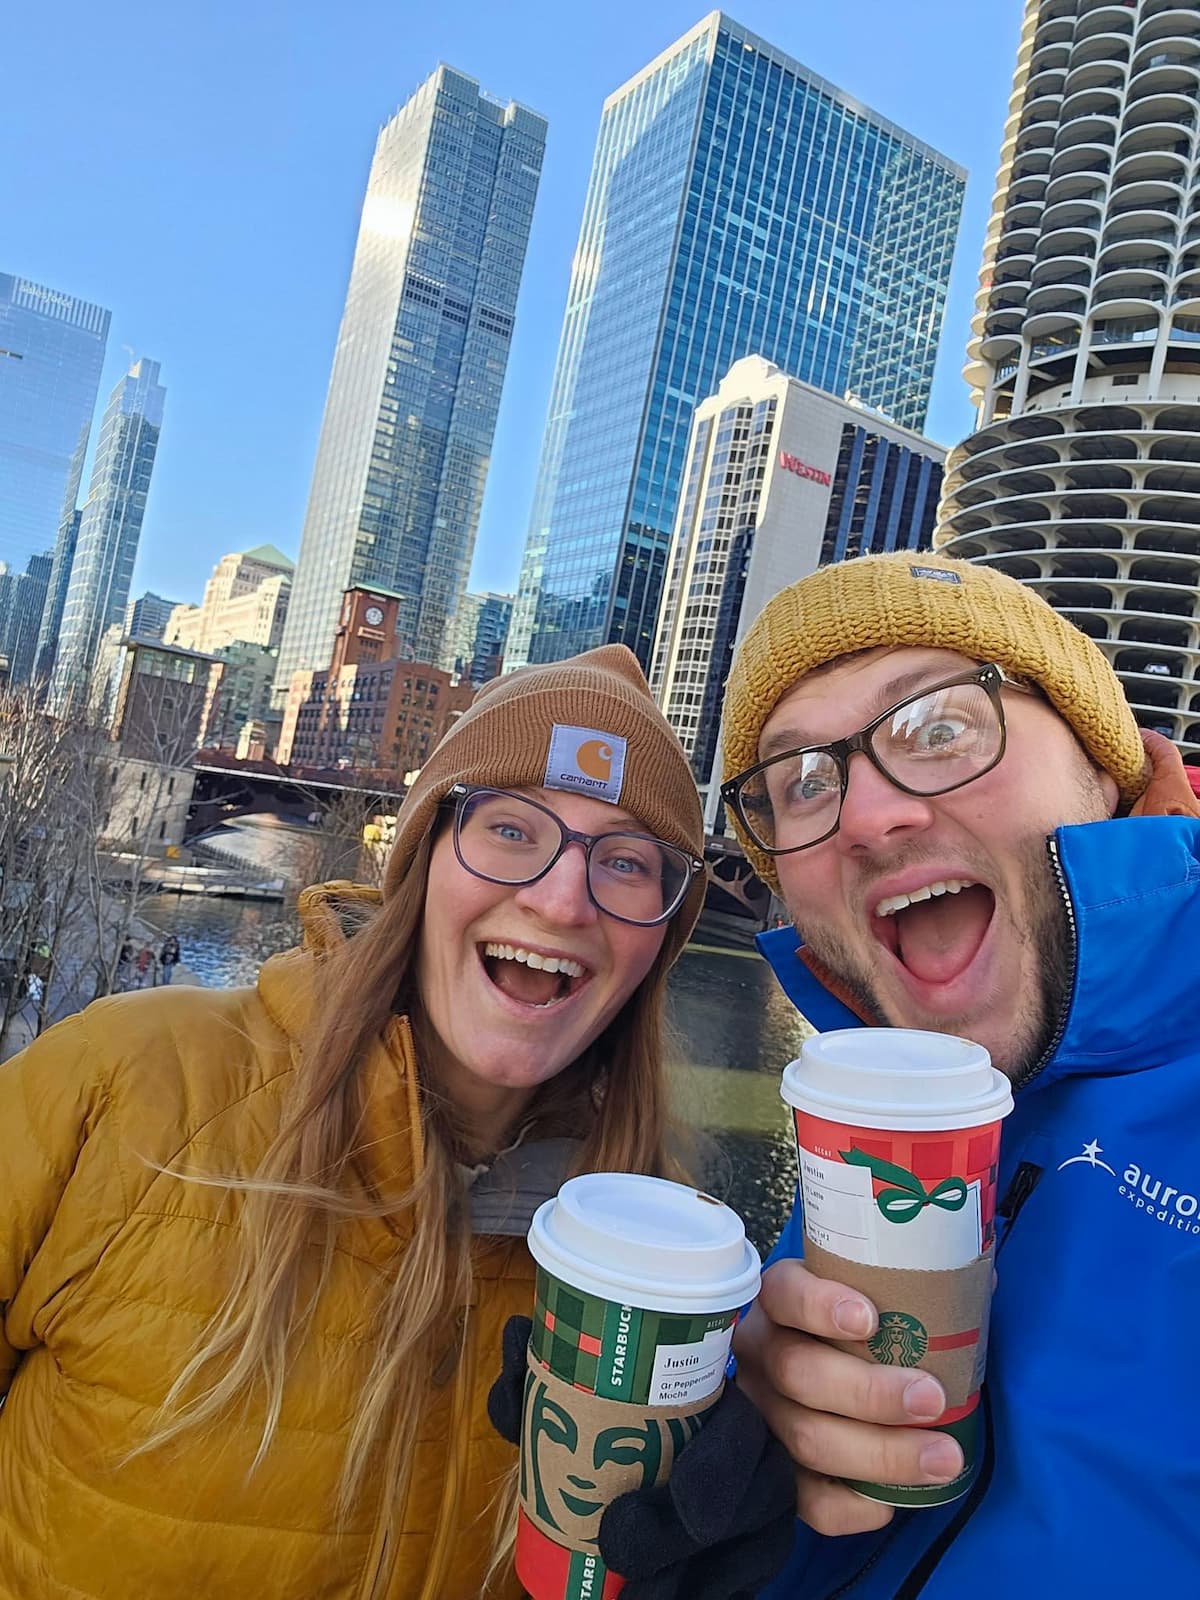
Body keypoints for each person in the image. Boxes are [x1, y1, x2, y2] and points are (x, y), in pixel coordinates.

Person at [0, 646, 790, 1600]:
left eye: (625, 861)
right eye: (509, 829)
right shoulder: (121, 1080)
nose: (558, 898)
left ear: (659, 936)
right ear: (420, 865)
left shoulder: (662, 1266)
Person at [717, 552, 1200, 1597]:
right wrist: (750, 1481)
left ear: (1103, 769)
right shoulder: (878, 1114)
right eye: (801, 781)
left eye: (940, 726)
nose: (865, 815)